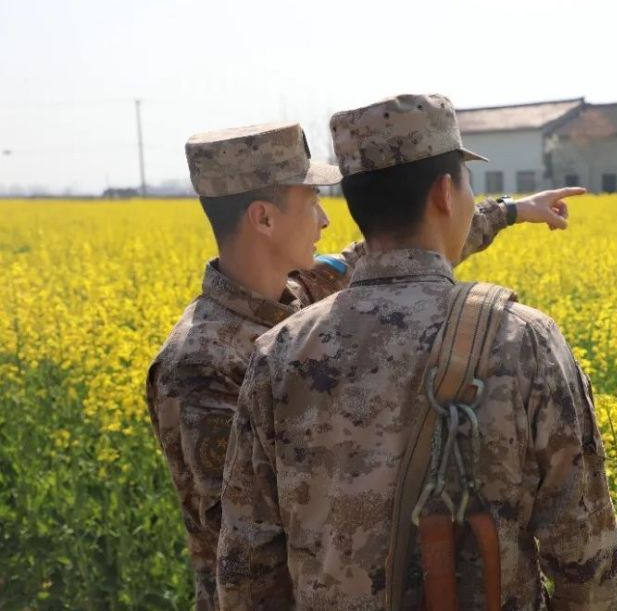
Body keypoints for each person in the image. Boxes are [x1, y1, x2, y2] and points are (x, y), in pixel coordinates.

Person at [146, 120, 584, 610]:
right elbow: (241, 535)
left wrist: (511, 212)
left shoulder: (302, 292)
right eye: (310, 201)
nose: (326, 219)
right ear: (263, 219)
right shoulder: (200, 361)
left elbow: (402, 251)